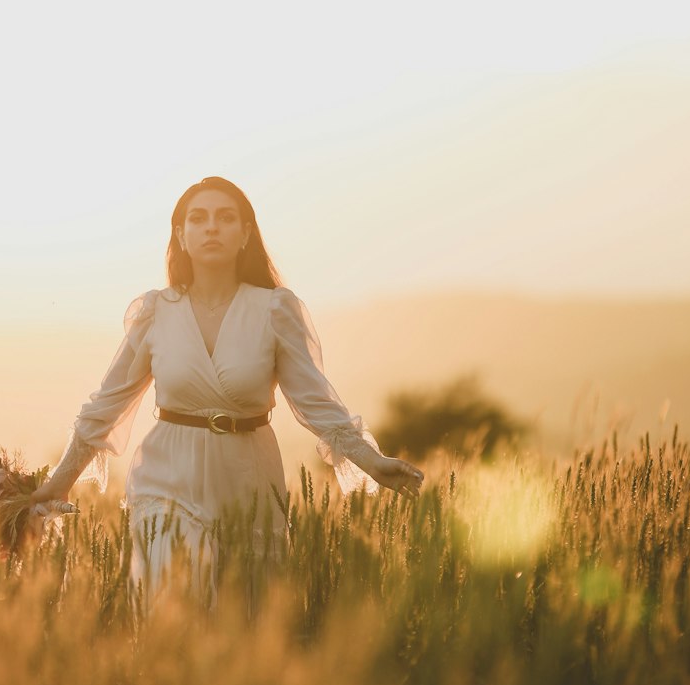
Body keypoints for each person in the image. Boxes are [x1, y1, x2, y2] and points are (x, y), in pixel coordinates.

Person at [27, 176, 423, 599]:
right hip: (166, 476)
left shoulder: (274, 309)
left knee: (237, 615)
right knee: (173, 599)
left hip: (247, 477)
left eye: (225, 218)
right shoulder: (156, 312)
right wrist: (58, 481)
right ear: (180, 234)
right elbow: (106, 405)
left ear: (245, 233)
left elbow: (317, 404)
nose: (211, 227)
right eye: (197, 219)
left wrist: (372, 461)